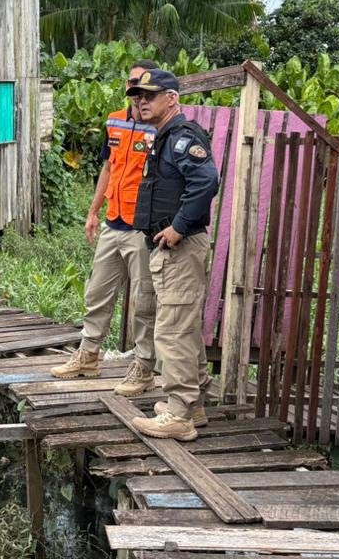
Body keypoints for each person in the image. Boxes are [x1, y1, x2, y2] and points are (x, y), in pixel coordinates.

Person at [50, 60, 160, 397]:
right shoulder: (114, 120)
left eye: (144, 87)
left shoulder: (159, 127)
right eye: (132, 84)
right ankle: (88, 356)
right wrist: (93, 212)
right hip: (113, 222)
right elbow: (108, 168)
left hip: (142, 227)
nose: (137, 94)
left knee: (144, 300)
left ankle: (143, 368)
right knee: (97, 292)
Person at [126, 69, 219, 441]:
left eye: (150, 95)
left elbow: (206, 180)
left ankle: (179, 414)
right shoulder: (164, 138)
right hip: (168, 249)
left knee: (173, 331)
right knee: (182, 326)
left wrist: (179, 226)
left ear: (172, 98)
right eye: (137, 96)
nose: (141, 101)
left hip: (180, 247)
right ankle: (193, 404)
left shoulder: (182, 138)